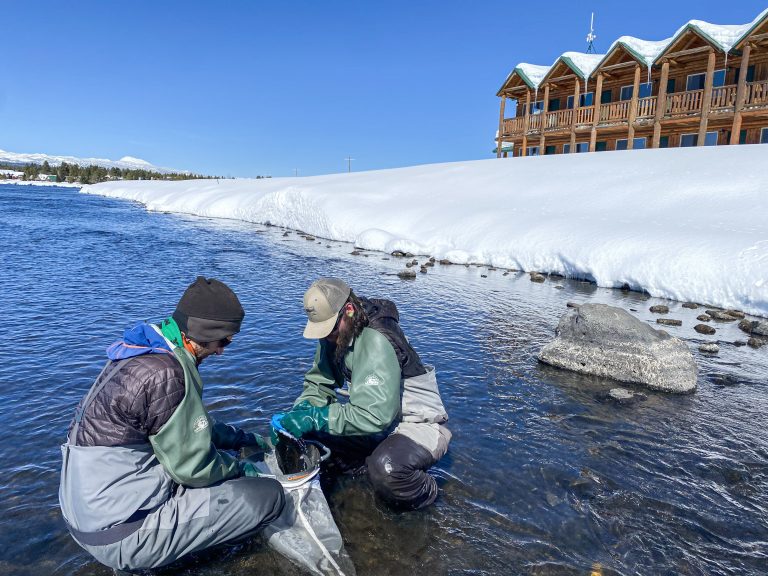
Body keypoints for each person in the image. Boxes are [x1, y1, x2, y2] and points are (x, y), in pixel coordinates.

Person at [59, 277, 285, 573]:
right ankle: (174, 560)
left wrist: (244, 439)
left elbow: (191, 424)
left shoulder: (145, 354)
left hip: (84, 517)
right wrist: (242, 470)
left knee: (222, 462)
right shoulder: (168, 374)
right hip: (119, 535)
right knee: (266, 497)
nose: (222, 351)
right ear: (203, 334)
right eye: (224, 340)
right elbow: (193, 468)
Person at [274, 277, 451, 510]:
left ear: (348, 310)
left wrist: (317, 418)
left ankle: (428, 494)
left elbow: (375, 416)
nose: (327, 337)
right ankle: (362, 472)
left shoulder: (376, 339)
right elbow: (319, 383)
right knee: (308, 440)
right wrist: (302, 411)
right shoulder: (337, 332)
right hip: (378, 423)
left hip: (415, 423)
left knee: (387, 468)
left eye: (330, 330)